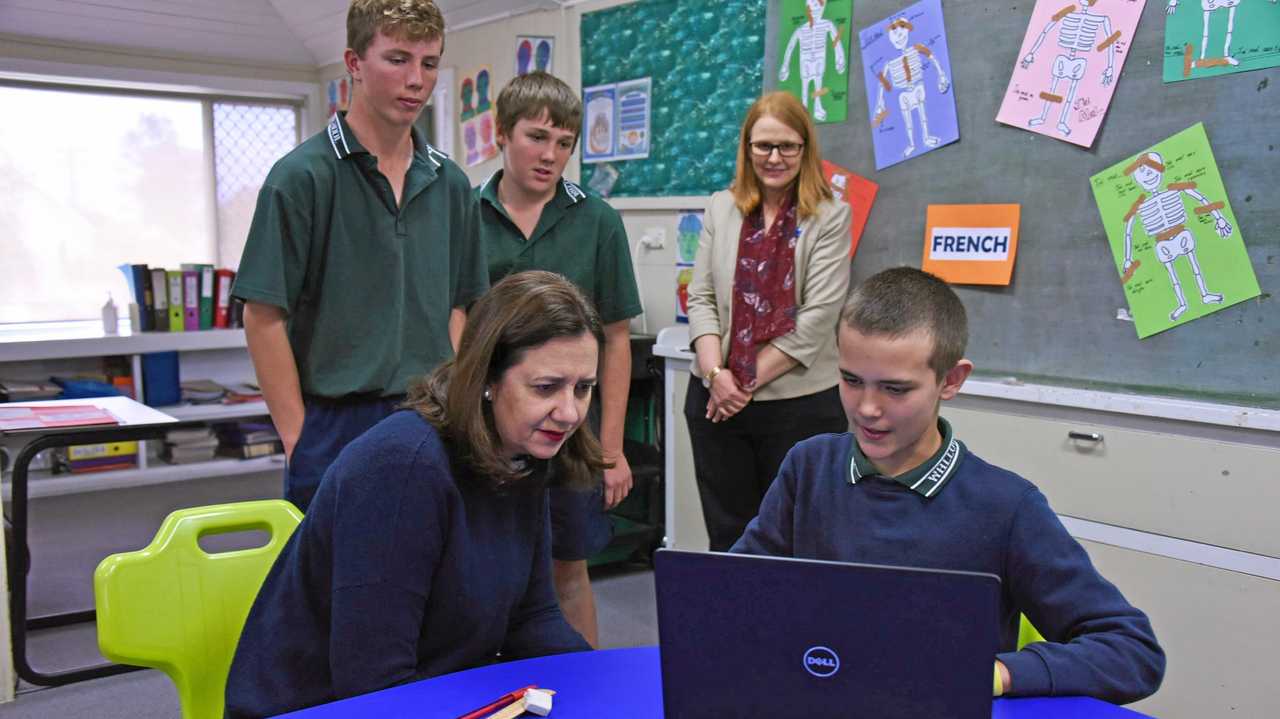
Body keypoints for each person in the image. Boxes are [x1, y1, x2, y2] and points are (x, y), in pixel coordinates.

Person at [732, 267, 1166, 704]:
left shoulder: (1006, 507)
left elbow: (1132, 650)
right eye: (851, 380)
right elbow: (732, 595)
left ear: (951, 380)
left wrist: (1000, 673)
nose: (866, 408)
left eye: (895, 389)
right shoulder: (808, 467)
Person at [225, 271, 601, 717]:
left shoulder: (524, 447)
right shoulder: (402, 468)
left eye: (583, 388)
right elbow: (374, 682)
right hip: (322, 706)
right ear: (487, 378)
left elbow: (532, 619)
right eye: (545, 387)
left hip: (437, 689)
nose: (570, 411)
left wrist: (597, 690)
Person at [232, 0, 487, 512]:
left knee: (431, 581)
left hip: (430, 416)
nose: (416, 79)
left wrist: (456, 407)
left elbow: (462, 307)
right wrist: (297, 438)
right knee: (334, 586)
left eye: (429, 63)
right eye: (397, 59)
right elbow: (262, 316)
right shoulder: (301, 176)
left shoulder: (453, 184)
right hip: (332, 422)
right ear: (354, 64)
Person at [476, 71, 643, 646]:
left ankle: (585, 695)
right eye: (537, 137)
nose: (551, 155)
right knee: (481, 573)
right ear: (502, 133)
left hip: (571, 433)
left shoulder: (596, 219)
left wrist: (612, 449)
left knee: (568, 572)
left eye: (565, 143)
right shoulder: (464, 215)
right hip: (489, 431)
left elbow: (617, 339)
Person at [685, 91, 852, 551]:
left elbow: (818, 316)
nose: (774, 157)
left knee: (800, 539)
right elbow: (699, 297)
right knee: (731, 538)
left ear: (805, 149)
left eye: (787, 146)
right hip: (716, 401)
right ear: (747, 148)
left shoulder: (831, 216)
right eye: (763, 146)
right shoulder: (722, 207)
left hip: (798, 406)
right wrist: (715, 374)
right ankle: (738, 624)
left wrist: (736, 382)